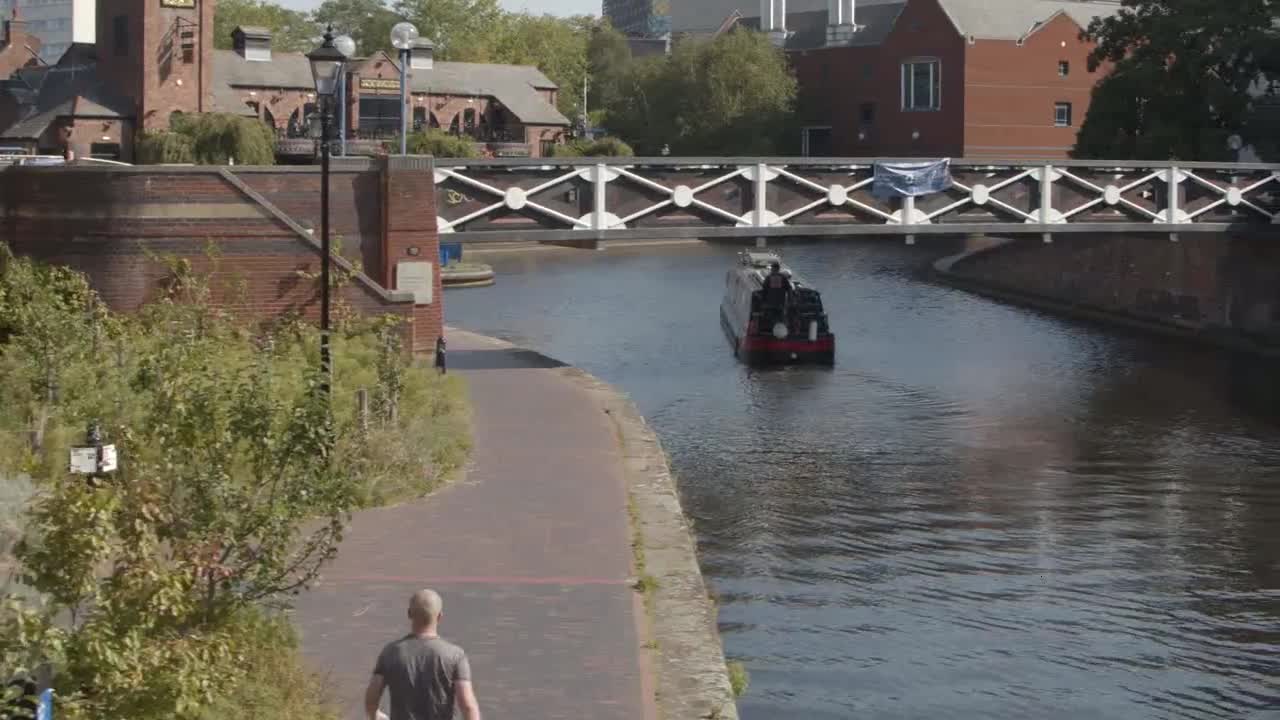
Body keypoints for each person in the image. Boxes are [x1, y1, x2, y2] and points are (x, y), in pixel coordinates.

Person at [364, 589, 481, 720]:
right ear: (440, 616)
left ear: (409, 614)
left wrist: (375, 715)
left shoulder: (391, 652)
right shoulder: (455, 655)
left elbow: (371, 698)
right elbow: (467, 706)